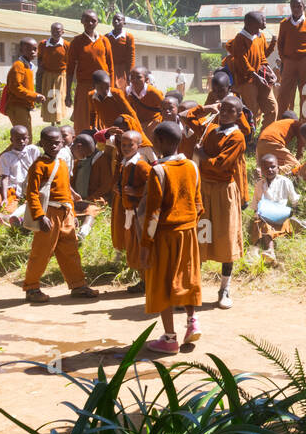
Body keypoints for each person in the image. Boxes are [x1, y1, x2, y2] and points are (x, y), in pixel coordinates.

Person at [140, 122, 205, 354]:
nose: (153, 144)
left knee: (163, 283)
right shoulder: (192, 166)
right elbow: (199, 204)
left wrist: (146, 245)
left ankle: (169, 339)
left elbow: (153, 213)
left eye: (155, 141)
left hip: (165, 235)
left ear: (163, 143)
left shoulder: (157, 171)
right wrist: (189, 225)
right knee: (187, 276)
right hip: (188, 232)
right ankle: (192, 322)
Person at [21, 126, 100, 302]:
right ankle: (31, 287)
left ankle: (78, 285)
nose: (54, 146)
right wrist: (40, 216)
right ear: (42, 143)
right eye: (49, 143)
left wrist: (71, 212)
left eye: (57, 143)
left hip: (65, 213)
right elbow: (32, 194)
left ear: (63, 143)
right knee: (41, 252)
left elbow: (66, 193)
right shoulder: (39, 165)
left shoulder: (63, 164)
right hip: (48, 213)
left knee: (70, 250)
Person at [197, 95, 247, 309]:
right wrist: (206, 108)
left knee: (226, 238)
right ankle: (193, 286)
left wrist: (201, 155)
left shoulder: (237, 137)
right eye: (222, 108)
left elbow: (221, 165)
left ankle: (224, 287)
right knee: (201, 236)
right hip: (204, 190)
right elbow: (187, 119)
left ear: (238, 115)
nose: (224, 113)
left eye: (230, 110)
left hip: (224, 192)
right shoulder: (210, 129)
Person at [226, 10, 279, 133]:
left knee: (272, 108)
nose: (265, 23)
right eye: (262, 20)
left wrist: (271, 71)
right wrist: (255, 76)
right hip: (247, 80)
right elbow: (242, 61)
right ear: (252, 23)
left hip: (260, 77)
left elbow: (262, 57)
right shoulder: (240, 39)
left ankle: (264, 136)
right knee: (252, 111)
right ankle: (250, 138)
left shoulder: (260, 36)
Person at [112, 130, 152, 293]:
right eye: (123, 145)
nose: (126, 148)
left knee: (142, 248)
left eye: (131, 145)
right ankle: (144, 280)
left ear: (139, 146)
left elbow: (153, 185)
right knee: (134, 248)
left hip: (139, 213)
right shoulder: (124, 162)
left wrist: (137, 192)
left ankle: (149, 282)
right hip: (129, 212)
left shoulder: (141, 165)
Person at [66, 10, 115, 132]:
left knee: (103, 117)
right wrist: (68, 93)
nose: (90, 23)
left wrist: (111, 89)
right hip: (84, 86)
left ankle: (102, 144)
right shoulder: (77, 42)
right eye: (87, 20)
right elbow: (70, 69)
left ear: (97, 22)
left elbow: (111, 67)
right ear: (82, 21)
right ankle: (83, 144)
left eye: (93, 20)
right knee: (83, 119)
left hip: (103, 88)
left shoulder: (104, 41)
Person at [276, 0, 306, 121]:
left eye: (299, 6)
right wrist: (284, 59)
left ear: (304, 7)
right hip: (289, 62)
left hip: (305, 61)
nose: (296, 9)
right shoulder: (285, 23)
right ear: (290, 7)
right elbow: (280, 43)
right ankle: (281, 120)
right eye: (293, 6)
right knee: (284, 92)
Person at [250, 153, 300, 264]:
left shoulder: (285, 182)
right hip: (264, 217)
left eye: (273, 166)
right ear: (262, 170)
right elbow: (255, 205)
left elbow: (295, 200)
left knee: (271, 226)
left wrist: (294, 213)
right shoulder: (259, 185)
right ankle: (262, 251)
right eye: (266, 168)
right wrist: (257, 213)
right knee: (260, 224)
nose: (270, 170)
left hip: (280, 217)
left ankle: (268, 250)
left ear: (278, 167)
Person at [68, 131, 115, 238]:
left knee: (91, 210)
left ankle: (83, 233)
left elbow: (106, 185)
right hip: (76, 196)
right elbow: (70, 180)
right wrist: (73, 195)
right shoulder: (76, 158)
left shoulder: (101, 159)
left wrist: (89, 199)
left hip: (94, 197)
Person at [0, 125, 40, 227]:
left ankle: (11, 217)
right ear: (11, 140)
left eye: (24, 138)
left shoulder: (33, 150)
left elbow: (39, 170)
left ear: (28, 138)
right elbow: (5, 178)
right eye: (17, 139)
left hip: (31, 184)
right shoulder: (6, 157)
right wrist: (4, 198)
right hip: (13, 187)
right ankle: (2, 215)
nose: (22, 141)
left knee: (36, 200)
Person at [4, 37, 43, 131]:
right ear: (21, 50)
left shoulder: (28, 66)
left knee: (22, 138)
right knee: (25, 138)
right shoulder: (18, 66)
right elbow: (16, 88)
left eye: (35, 49)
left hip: (23, 106)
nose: (33, 52)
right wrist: (34, 96)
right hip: (16, 106)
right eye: (29, 49)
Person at [37, 22, 70, 123]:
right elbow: (40, 58)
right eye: (53, 31)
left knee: (58, 98)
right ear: (50, 31)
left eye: (58, 31)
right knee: (49, 97)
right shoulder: (43, 44)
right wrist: (40, 72)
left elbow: (70, 61)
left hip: (60, 76)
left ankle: (57, 119)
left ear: (62, 32)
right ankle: (51, 121)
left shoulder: (66, 45)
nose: (56, 33)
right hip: (47, 75)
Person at [124, 67, 164, 136]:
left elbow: (165, 106)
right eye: (132, 77)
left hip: (153, 121)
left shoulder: (153, 92)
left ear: (146, 79)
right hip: (138, 122)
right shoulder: (128, 92)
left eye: (139, 77)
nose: (134, 80)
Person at [106, 14, 136, 90]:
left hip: (122, 71)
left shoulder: (128, 37)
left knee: (122, 91)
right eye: (114, 19)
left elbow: (131, 56)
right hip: (109, 69)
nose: (116, 21)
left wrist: (130, 73)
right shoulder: (106, 37)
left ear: (124, 23)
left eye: (119, 20)